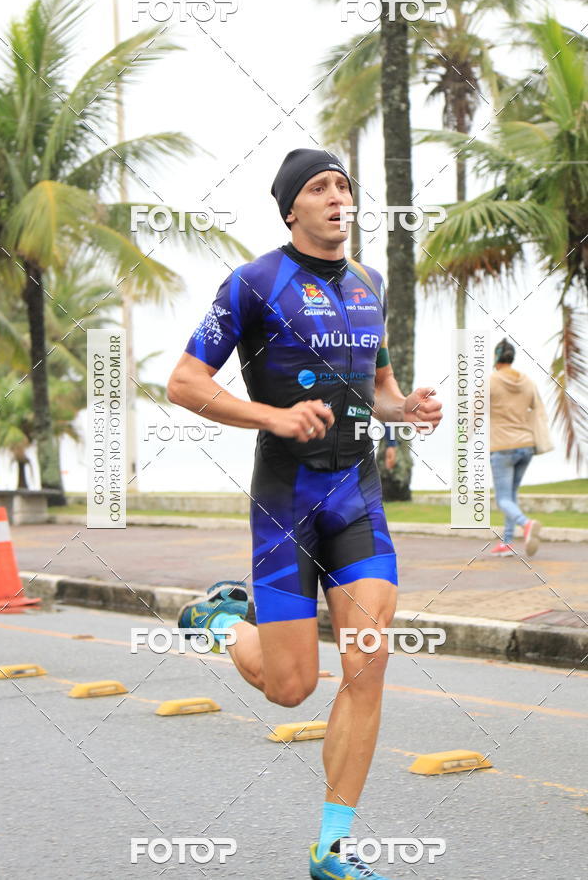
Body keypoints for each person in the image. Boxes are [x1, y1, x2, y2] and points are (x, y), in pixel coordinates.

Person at [167, 148, 443, 879]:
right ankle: (223, 622)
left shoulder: (368, 285)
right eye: (319, 187)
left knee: (369, 656)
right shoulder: (254, 283)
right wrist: (275, 418)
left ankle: (332, 847)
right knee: (292, 688)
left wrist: (405, 408)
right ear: (292, 208)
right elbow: (185, 382)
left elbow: (380, 389)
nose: (335, 196)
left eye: (344, 186)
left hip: (356, 498)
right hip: (285, 501)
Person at [489, 337, 543, 557]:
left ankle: (526, 524)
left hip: (502, 447)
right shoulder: (528, 381)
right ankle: (507, 543)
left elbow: (474, 411)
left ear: (496, 357)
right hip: (526, 446)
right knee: (511, 496)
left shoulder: (491, 381)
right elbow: (537, 407)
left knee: (503, 499)